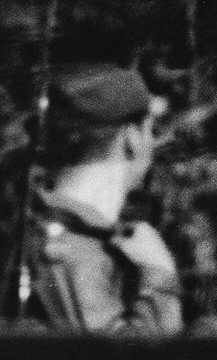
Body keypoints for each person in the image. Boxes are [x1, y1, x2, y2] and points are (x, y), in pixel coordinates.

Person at [20, 64, 183, 335]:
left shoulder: (53, 228)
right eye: (151, 130)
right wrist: (159, 274)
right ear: (132, 137)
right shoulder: (69, 250)